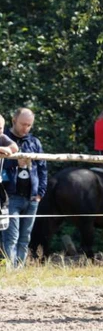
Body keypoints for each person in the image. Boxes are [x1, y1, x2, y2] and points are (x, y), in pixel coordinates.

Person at [2, 108, 47, 268]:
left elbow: (43, 169)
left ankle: (19, 269)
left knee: (25, 237)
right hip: (11, 196)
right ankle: (9, 268)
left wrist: (40, 193)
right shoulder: (3, 139)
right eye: (23, 124)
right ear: (14, 120)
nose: (25, 128)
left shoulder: (34, 142)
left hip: (32, 197)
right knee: (11, 236)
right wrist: (15, 162)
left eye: (29, 125)